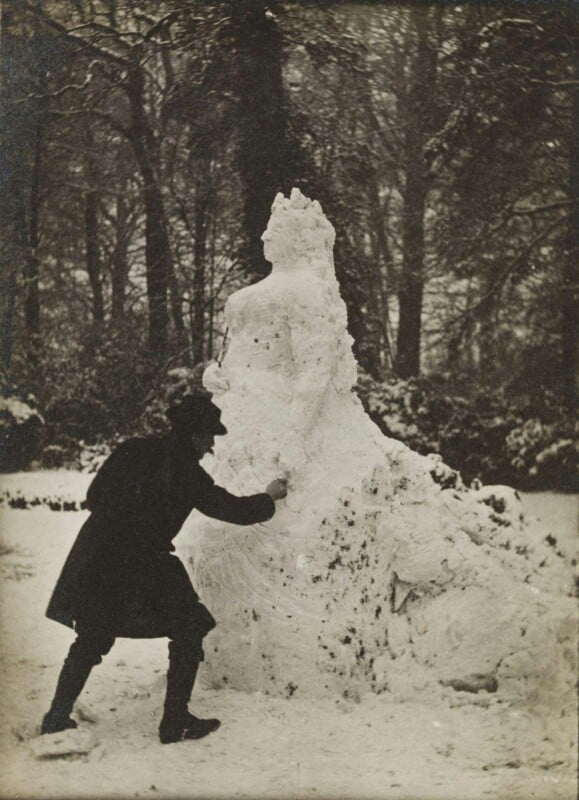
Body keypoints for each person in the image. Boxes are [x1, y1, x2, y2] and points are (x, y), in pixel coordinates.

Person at [41, 393, 287, 744]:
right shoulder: (188, 473)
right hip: (145, 561)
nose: (211, 446)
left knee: (92, 635)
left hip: (99, 554)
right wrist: (270, 496)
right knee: (190, 627)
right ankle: (176, 722)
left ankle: (55, 717)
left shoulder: (132, 448)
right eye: (209, 437)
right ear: (193, 434)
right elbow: (232, 509)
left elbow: (94, 496)